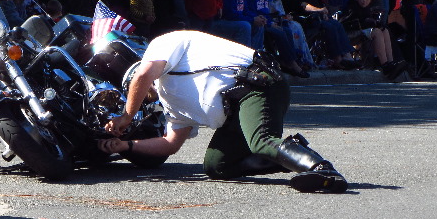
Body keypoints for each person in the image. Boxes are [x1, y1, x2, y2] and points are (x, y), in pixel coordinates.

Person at [97, 30, 348, 193]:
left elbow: (142, 75)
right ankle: (292, 154)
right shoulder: (170, 100)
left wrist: (126, 116)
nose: (140, 92)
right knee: (217, 166)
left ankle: (322, 169)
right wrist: (126, 147)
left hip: (257, 84)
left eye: (134, 87)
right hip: (236, 110)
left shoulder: (161, 45)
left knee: (260, 142)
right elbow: (169, 143)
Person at [340, 0, 406, 79]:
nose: (364, 1)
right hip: (351, 32)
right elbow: (355, 21)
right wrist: (372, 23)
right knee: (377, 32)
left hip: (362, 30)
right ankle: (385, 65)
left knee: (385, 30)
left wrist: (378, 24)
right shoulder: (352, 5)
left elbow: (369, 21)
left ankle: (391, 63)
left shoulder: (368, 7)